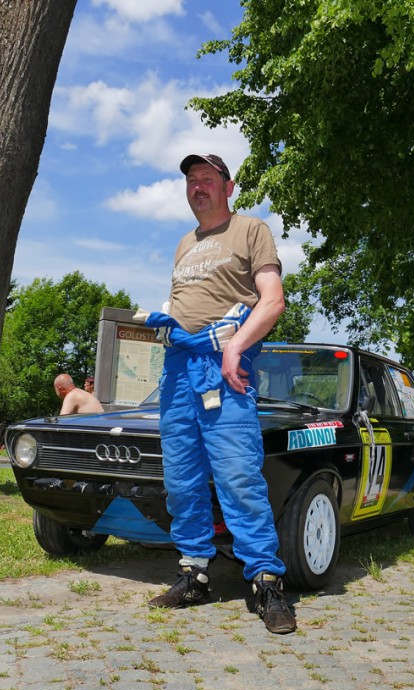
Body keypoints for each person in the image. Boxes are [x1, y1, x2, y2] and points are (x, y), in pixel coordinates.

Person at [142, 152, 295, 635]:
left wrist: (237, 350)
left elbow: (272, 301)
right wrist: (169, 329)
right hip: (179, 369)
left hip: (225, 366)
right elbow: (187, 306)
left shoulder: (251, 230)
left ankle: (267, 582)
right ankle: (194, 574)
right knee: (182, 478)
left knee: (236, 476)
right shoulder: (184, 244)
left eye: (208, 179)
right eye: (191, 181)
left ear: (229, 188)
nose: (198, 187)